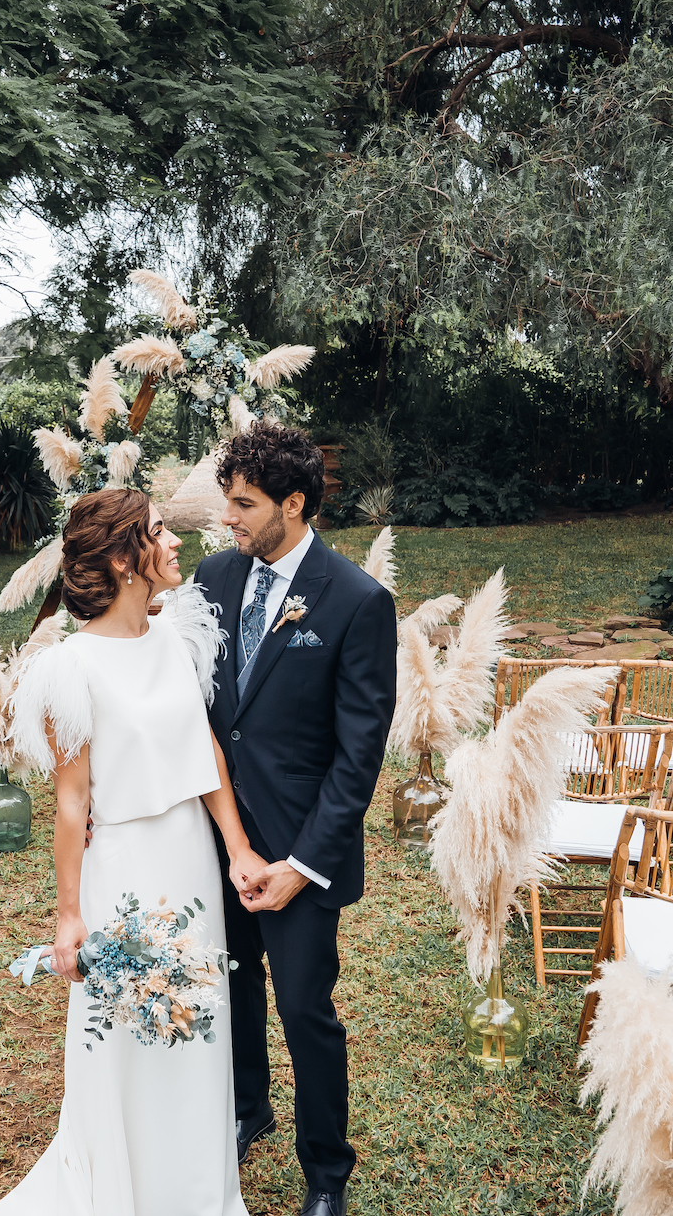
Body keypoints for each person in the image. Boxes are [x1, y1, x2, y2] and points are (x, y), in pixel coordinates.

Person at [0, 487, 267, 1216]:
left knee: (196, 1026)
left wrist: (237, 849)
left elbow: (205, 752)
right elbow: (71, 801)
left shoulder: (176, 636)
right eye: (159, 530)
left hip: (191, 863)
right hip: (123, 874)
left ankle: (198, 1193)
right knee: (128, 1036)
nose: (175, 542)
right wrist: (68, 915)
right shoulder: (70, 669)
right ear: (122, 559)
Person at [192, 422, 397, 1216]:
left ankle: (326, 1173)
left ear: (295, 502)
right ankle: (248, 1108)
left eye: (244, 503)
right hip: (217, 833)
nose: (228, 518)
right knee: (232, 980)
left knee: (305, 1008)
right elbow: (205, 709)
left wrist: (302, 865)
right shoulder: (213, 576)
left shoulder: (357, 600)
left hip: (301, 850)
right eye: (228, 500)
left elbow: (358, 757)